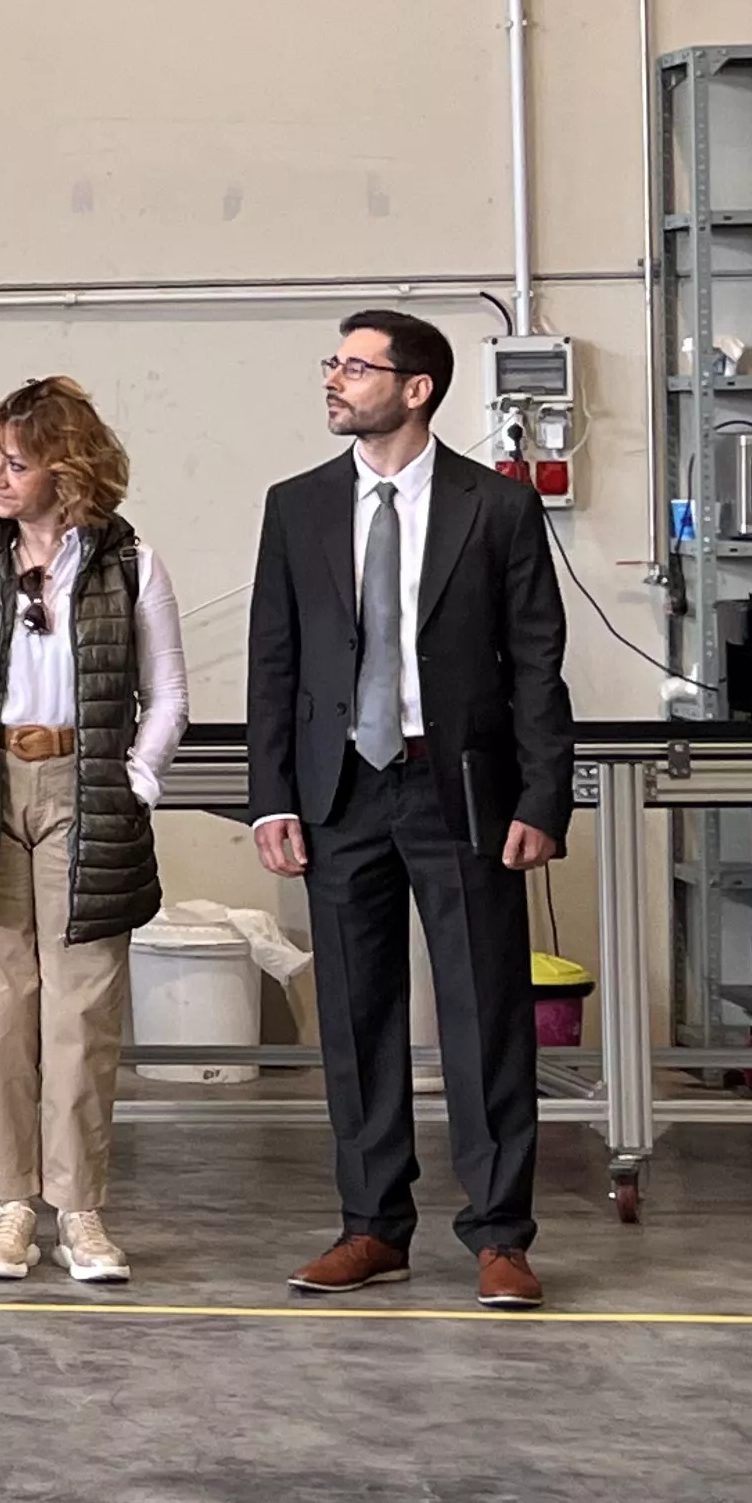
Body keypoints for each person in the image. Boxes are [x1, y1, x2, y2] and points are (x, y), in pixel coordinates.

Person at [250, 309, 574, 1309]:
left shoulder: (498, 508)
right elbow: (276, 664)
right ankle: (372, 1228)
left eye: (356, 366)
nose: (335, 381)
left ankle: (500, 1236)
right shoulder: (298, 506)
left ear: (417, 387)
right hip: (342, 791)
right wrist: (272, 800)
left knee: (485, 1013)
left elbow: (536, 668)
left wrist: (542, 798)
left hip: (462, 792)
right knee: (355, 1018)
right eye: (334, 364)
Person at [0, 376, 189, 1288]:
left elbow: (167, 694)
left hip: (87, 791)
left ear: (69, 466)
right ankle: (8, 1208)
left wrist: (136, 780)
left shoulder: (133, 563)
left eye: (15, 462)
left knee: (83, 1006)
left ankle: (81, 1210)